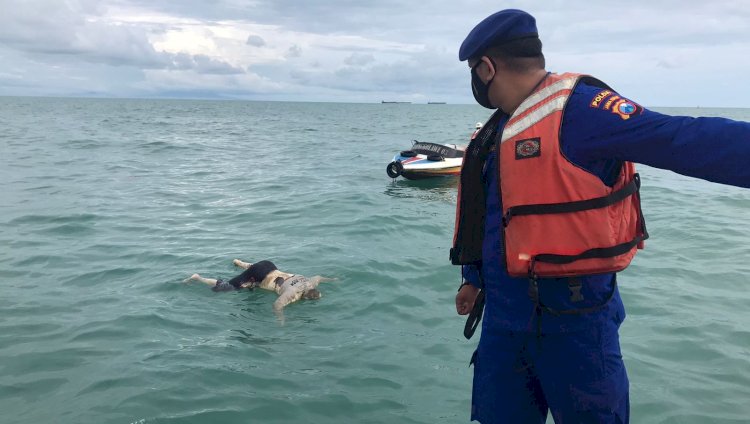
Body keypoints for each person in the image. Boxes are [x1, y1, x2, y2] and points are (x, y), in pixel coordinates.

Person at [450, 8, 750, 424]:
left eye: (473, 72)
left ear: (486, 68)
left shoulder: (583, 110)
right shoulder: (499, 127)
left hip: (576, 323)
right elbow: (493, 214)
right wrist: (473, 278)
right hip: (504, 320)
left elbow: (682, 137)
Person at [184, 259, 335, 321]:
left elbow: (319, 277)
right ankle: (198, 278)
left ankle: (240, 263)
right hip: (259, 276)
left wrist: (333, 280)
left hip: (268, 265)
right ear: (304, 296)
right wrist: (280, 319)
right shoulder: (293, 294)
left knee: (251, 272)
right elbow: (277, 305)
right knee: (227, 287)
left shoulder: (309, 282)